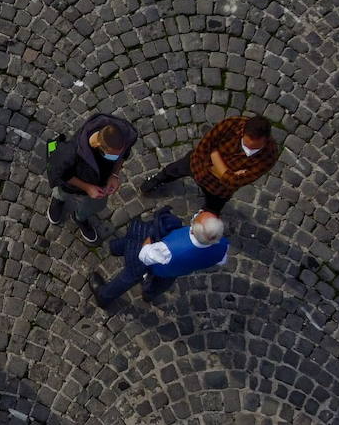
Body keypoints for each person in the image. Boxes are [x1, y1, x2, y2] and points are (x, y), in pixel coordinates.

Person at [90, 206, 229, 308]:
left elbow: (144, 255)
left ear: (193, 230)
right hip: (174, 271)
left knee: (131, 274)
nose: (199, 212)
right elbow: (220, 260)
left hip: (157, 263)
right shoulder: (222, 245)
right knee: (160, 285)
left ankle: (104, 296)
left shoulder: (170, 249)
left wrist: (148, 241)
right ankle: (148, 295)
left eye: (198, 215)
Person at [140, 114, 279, 214]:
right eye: (246, 145)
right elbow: (203, 149)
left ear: (266, 140)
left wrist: (215, 156)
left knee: (213, 208)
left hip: (219, 189)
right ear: (243, 132)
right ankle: (158, 179)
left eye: (255, 148)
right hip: (197, 166)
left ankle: (204, 217)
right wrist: (226, 173)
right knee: (172, 170)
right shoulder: (231, 124)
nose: (248, 151)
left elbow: (235, 182)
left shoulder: (270, 155)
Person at [45, 114, 138, 244]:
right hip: (71, 182)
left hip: (100, 182)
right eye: (113, 156)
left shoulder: (125, 136)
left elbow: (123, 155)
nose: (117, 158)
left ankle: (80, 218)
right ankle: (58, 201)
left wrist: (114, 174)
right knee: (62, 192)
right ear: (98, 144)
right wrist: (87, 187)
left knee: (89, 206)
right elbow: (62, 174)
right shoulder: (70, 153)